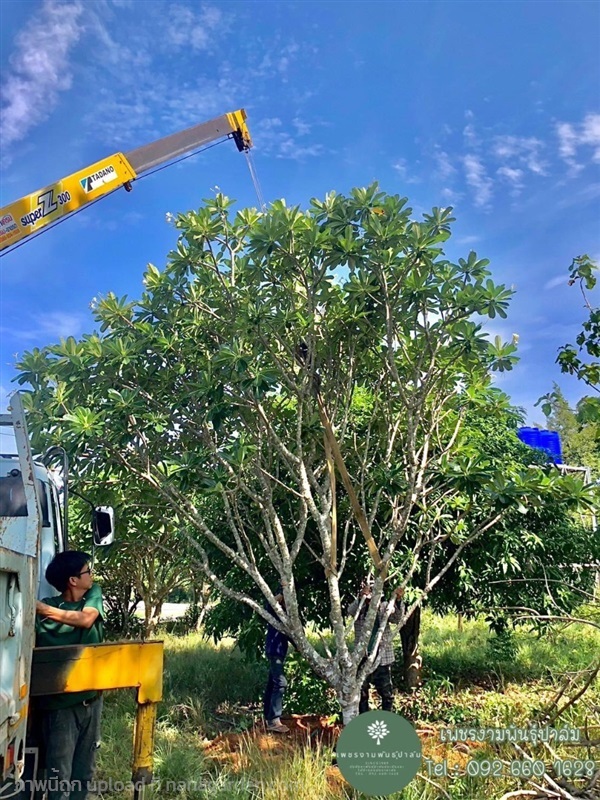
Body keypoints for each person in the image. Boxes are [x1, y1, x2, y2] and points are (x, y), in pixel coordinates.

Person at [34, 551, 105, 800]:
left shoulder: (92, 594)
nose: (91, 575)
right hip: (59, 707)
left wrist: (42, 610)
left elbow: (86, 620)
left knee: (84, 773)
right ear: (73, 580)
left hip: (91, 701)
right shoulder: (48, 606)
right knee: (58, 775)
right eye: (87, 571)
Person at [348, 580, 404, 714]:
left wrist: (397, 600)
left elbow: (397, 618)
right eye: (370, 592)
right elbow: (351, 611)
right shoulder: (360, 608)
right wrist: (362, 598)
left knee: (386, 693)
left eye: (374, 592)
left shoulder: (385, 606)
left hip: (382, 657)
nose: (372, 596)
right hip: (363, 657)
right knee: (361, 693)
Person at [263, 587, 290, 733]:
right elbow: (270, 602)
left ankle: (267, 715)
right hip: (274, 651)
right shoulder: (275, 611)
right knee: (280, 682)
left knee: (272, 682)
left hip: (279, 651)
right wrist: (282, 592)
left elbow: (292, 634)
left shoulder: (286, 615)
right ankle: (274, 719)